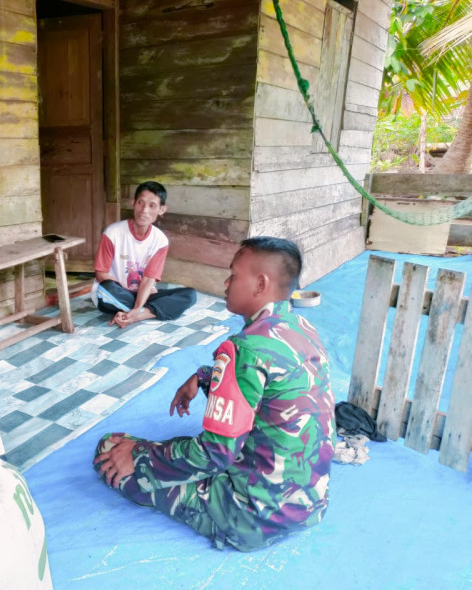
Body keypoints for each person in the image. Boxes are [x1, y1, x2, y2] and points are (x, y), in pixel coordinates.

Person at [93, 237, 335, 552]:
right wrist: (204, 376)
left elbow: (213, 455)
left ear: (260, 284)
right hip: (309, 504)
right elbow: (268, 389)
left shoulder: (243, 348)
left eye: (234, 275)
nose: (226, 282)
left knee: (111, 447)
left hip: (250, 517)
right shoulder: (302, 328)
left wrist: (138, 458)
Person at [91, 181, 196, 329]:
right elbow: (101, 274)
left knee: (189, 295)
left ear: (162, 209)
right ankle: (146, 310)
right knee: (106, 288)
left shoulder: (160, 241)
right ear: (133, 203)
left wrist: (137, 305)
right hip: (116, 293)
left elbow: (148, 280)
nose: (144, 210)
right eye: (141, 203)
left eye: (152, 205)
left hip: (141, 294)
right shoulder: (113, 233)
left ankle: (135, 315)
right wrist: (130, 292)